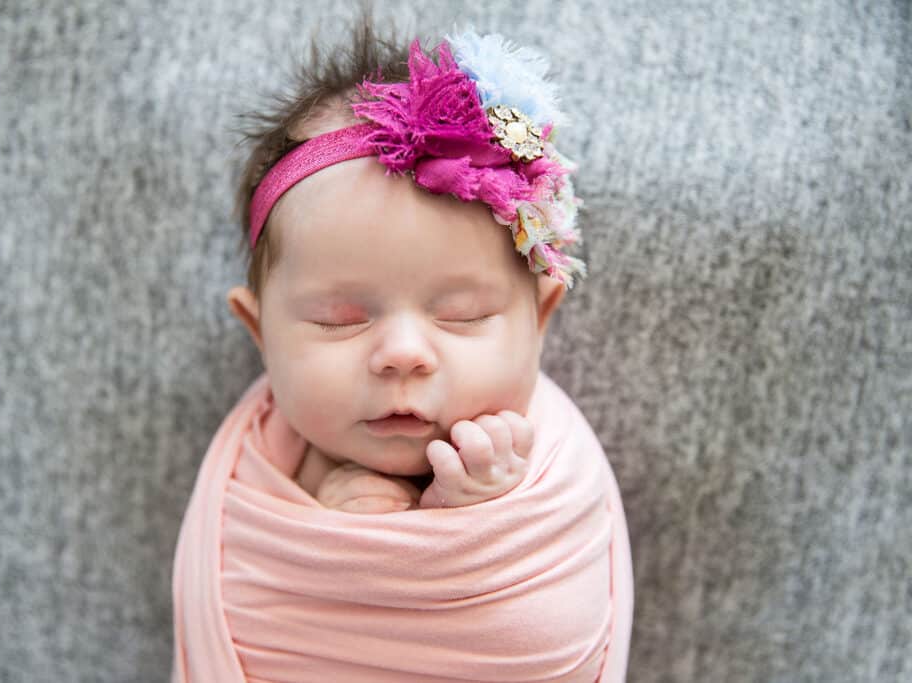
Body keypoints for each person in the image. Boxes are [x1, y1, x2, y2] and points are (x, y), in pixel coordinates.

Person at [172, 20, 632, 683]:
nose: (403, 354)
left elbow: (548, 625)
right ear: (259, 333)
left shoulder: (549, 471)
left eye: (463, 313)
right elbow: (245, 608)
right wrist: (327, 512)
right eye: (337, 319)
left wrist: (479, 515)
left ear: (540, 318)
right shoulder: (257, 474)